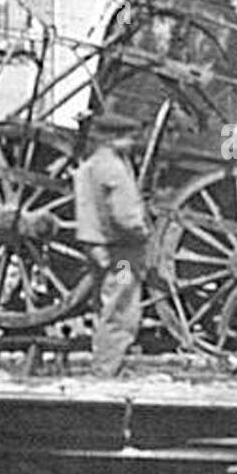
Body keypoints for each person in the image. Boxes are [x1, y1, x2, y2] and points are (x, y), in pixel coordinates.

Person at [73, 111, 151, 378]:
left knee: (105, 305)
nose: (133, 143)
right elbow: (125, 215)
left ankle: (104, 366)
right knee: (121, 308)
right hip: (122, 252)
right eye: (130, 138)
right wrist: (143, 232)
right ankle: (107, 373)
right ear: (114, 139)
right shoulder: (114, 168)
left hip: (98, 245)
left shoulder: (92, 164)